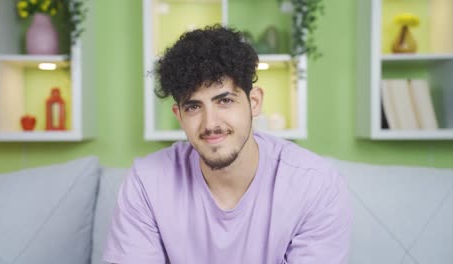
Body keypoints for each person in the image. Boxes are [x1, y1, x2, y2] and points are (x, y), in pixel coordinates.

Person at [103, 25, 352, 264]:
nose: (210, 123)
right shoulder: (146, 182)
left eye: (224, 101)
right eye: (193, 107)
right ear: (179, 116)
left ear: (254, 102)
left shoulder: (315, 185)